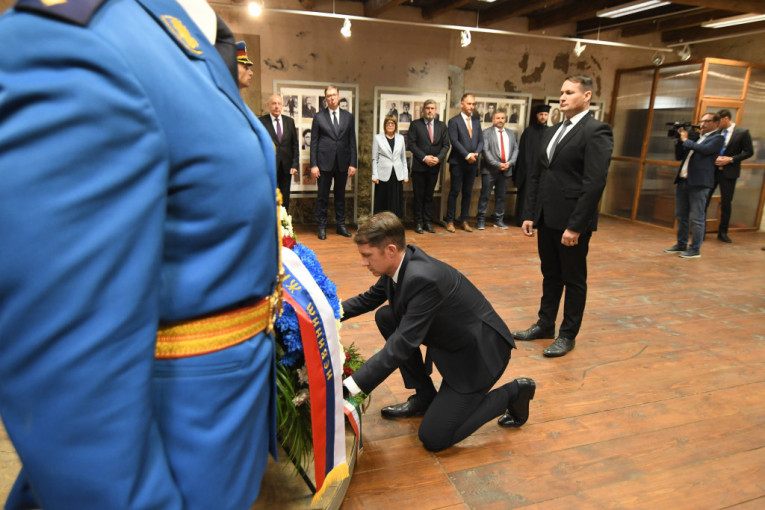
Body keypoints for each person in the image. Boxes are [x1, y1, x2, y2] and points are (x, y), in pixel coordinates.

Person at [0, 2, 278, 509]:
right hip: (169, 457)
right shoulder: (84, 41)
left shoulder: (183, 33)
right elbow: (72, 382)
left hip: (218, 435)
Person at [341, 212, 535, 452]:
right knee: (386, 317)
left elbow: (400, 347)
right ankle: (425, 397)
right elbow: (368, 299)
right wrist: (323, 315)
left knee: (434, 437)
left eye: (367, 255)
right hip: (451, 342)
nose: (363, 262)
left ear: (390, 250)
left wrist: (348, 388)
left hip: (478, 357)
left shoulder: (423, 279)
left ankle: (514, 393)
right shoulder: (400, 264)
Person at [516, 75, 613, 358]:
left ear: (587, 96)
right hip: (547, 218)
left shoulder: (597, 131)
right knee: (550, 274)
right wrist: (530, 213)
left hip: (572, 222)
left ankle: (567, 334)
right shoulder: (552, 131)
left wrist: (576, 226)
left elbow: (594, 183)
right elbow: (538, 175)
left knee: (573, 279)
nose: (562, 97)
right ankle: (545, 324)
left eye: (569, 92)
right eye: (561, 92)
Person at [664, 113, 724, 258]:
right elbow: (679, 156)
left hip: (699, 183)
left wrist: (686, 140)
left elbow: (705, 150)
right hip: (684, 181)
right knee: (681, 215)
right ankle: (681, 244)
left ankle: (695, 249)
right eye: (702, 121)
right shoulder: (697, 137)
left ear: (716, 123)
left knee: (697, 217)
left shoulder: (717, 138)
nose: (703, 124)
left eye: (707, 121)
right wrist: (680, 140)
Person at [310, 85, 358, 240]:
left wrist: (353, 163)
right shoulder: (319, 117)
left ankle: (341, 225)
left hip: (342, 162)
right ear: (325, 99)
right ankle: (321, 226)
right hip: (323, 163)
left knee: (340, 196)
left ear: (338, 96)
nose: (332, 98)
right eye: (329, 96)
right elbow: (314, 142)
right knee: (322, 196)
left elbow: (352, 141)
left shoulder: (348, 117)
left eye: (334, 95)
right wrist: (313, 164)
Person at [705, 109, 754, 243]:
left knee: (726, 203)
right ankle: (701, 230)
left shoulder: (742, 132)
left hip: (729, 172)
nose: (716, 124)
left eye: (718, 121)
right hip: (713, 170)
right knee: (705, 200)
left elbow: (749, 152)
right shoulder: (716, 132)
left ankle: (723, 232)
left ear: (726, 118)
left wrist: (731, 159)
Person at [408, 99, 450, 234]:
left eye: (432, 108)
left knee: (429, 196)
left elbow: (446, 145)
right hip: (419, 167)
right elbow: (411, 144)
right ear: (423, 110)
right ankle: (418, 223)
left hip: (434, 167)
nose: (430, 111)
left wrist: (438, 158)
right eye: (427, 108)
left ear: (436, 110)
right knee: (418, 196)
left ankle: (427, 222)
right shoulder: (415, 125)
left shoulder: (441, 126)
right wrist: (424, 158)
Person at [446, 93, 483, 232]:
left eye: (473, 104)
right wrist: (467, 155)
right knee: (454, 192)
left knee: (467, 192)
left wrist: (476, 153)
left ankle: (464, 220)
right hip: (458, 162)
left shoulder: (476, 122)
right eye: (469, 103)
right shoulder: (454, 121)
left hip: (472, 163)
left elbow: (481, 141)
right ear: (462, 104)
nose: (471, 106)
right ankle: (450, 221)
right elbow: (454, 141)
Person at [477, 110, 518, 230]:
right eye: (498, 118)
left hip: (506, 170)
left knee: (501, 196)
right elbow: (485, 151)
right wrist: (498, 164)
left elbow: (516, 149)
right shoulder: (486, 133)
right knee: (485, 196)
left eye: (502, 118)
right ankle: (481, 220)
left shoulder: (511, 133)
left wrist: (510, 163)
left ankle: (499, 220)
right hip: (490, 170)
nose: (500, 120)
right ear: (493, 119)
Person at [260, 94, 300, 209]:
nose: (276, 106)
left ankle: (284, 219)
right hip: (269, 167)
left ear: (282, 106)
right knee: (269, 195)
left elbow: (294, 145)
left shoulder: (289, 122)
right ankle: (271, 219)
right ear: (268, 105)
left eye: (279, 104)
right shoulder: (262, 122)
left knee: (285, 196)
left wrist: (295, 164)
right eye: (274, 103)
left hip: (286, 167)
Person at [514, 105, 550, 226]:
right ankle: (523, 219)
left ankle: (536, 221)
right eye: (541, 114)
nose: (543, 117)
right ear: (537, 115)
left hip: (543, 169)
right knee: (526, 195)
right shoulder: (529, 131)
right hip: (529, 170)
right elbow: (523, 152)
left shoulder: (550, 131)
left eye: (545, 115)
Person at [372, 115, 409, 217]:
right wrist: (374, 175)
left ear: (395, 125)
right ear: (384, 125)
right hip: (382, 175)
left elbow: (403, 158)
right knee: (382, 200)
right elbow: (375, 158)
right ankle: (381, 222)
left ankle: (395, 222)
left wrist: (405, 175)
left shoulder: (400, 138)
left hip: (397, 174)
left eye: (392, 123)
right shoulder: (378, 138)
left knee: (395, 201)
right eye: (388, 123)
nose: (390, 125)